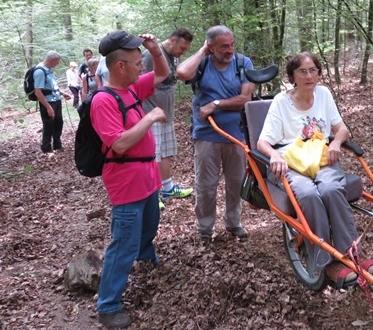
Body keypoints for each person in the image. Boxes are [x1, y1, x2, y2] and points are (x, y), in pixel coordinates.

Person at [256, 52, 373, 286]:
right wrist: (274, 155)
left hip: (320, 156)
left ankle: (352, 254)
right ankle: (327, 262)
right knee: (308, 195)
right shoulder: (281, 102)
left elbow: (342, 129)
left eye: (313, 70)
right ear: (292, 76)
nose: (309, 75)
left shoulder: (323, 94)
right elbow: (262, 142)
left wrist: (335, 142)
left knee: (332, 189)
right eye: (302, 71)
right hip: (290, 160)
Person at [92, 30, 169, 329]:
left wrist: (155, 49)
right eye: (138, 62)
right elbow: (119, 144)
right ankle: (108, 306)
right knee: (122, 243)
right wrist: (150, 118)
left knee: (149, 226)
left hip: (147, 178)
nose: (142, 67)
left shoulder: (133, 88)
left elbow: (162, 74)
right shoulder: (104, 100)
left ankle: (148, 261)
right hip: (126, 183)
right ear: (119, 66)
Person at [176, 25, 254, 242]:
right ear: (211, 47)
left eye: (232, 45)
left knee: (236, 183)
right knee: (206, 186)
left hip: (236, 135)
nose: (230, 50)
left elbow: (245, 98)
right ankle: (204, 229)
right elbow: (182, 73)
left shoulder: (242, 63)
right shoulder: (202, 63)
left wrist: (216, 104)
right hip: (206, 136)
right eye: (223, 46)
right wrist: (202, 51)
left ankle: (233, 223)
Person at [142, 28, 194, 206]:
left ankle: (167, 188)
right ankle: (152, 195)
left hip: (166, 114)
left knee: (165, 153)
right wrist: (150, 114)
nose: (183, 52)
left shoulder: (174, 56)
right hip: (151, 114)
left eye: (186, 49)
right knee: (152, 155)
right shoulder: (151, 55)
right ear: (172, 40)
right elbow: (139, 84)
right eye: (182, 48)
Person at [33, 51, 71, 153]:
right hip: (48, 102)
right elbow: (38, 92)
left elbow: (53, 86)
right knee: (48, 125)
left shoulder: (49, 70)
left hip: (56, 100)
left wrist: (62, 93)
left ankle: (57, 145)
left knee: (58, 123)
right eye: (57, 61)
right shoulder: (40, 71)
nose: (58, 63)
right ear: (53, 60)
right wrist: (48, 107)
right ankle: (46, 148)